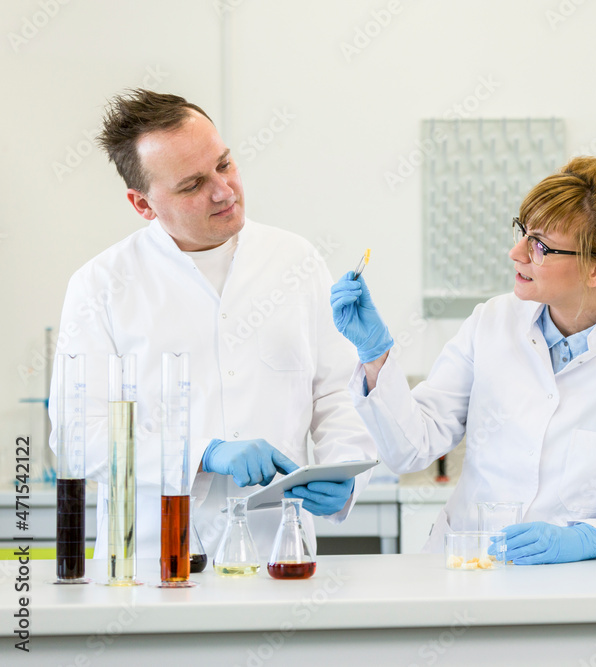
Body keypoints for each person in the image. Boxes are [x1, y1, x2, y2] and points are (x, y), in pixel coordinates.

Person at [48, 89, 377, 561]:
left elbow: (336, 393)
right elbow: (77, 438)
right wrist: (201, 454)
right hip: (150, 565)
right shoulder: (101, 285)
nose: (224, 191)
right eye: (192, 184)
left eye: (224, 165)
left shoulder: (296, 261)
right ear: (142, 204)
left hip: (279, 557)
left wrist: (345, 474)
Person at [330, 153, 596, 563]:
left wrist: (587, 538)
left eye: (540, 245)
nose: (516, 252)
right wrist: (375, 356)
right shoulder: (491, 322)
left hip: (576, 588)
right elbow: (411, 449)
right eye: (523, 231)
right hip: (467, 569)